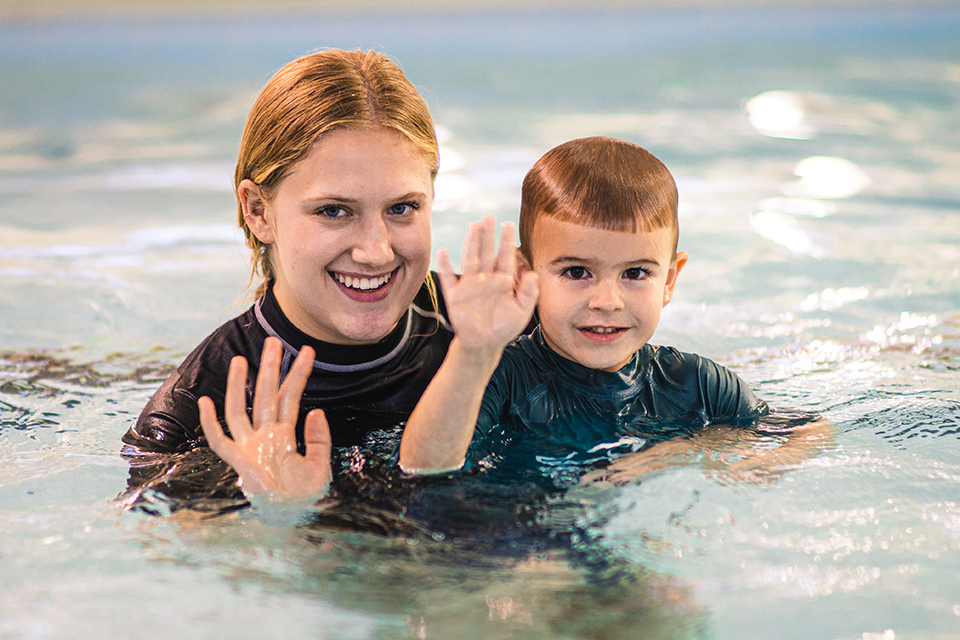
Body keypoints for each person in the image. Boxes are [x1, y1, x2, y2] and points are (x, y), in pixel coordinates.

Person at [121, 49, 454, 503]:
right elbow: (168, 559)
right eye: (333, 211)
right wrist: (282, 515)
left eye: (402, 208)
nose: (376, 252)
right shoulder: (199, 416)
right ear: (258, 211)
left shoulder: (482, 325)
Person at [397, 136, 772, 481]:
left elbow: (801, 438)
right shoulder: (503, 377)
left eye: (635, 273)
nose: (607, 301)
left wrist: (680, 452)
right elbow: (422, 468)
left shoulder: (697, 385)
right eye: (577, 272)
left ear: (669, 281)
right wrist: (474, 350)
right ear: (525, 274)